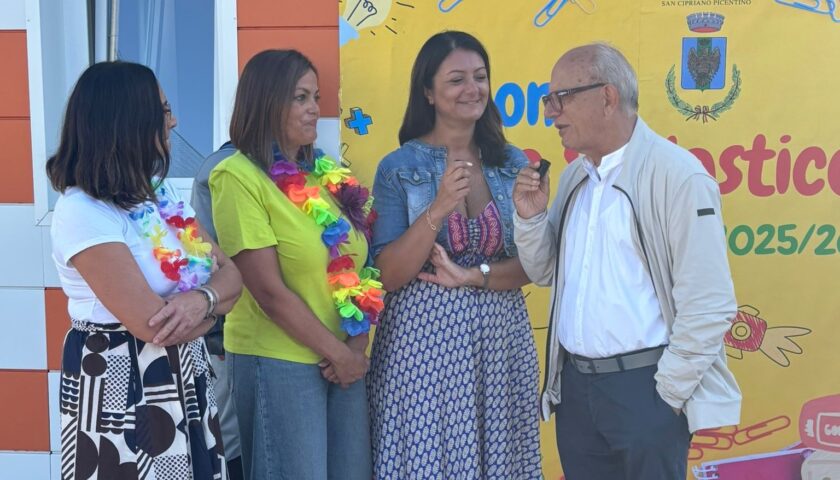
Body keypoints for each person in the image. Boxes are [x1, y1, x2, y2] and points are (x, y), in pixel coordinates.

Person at [512, 43, 741, 479]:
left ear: (607, 96)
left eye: (561, 98)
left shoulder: (678, 175)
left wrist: (667, 395)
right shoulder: (578, 176)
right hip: (577, 390)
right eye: (549, 100)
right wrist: (531, 217)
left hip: (646, 388)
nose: (551, 114)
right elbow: (544, 272)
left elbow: (710, 304)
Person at [47, 61, 242, 479]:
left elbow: (231, 277)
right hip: (122, 378)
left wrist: (200, 299)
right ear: (128, 122)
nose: (174, 121)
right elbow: (152, 325)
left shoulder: (159, 196)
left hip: (184, 374)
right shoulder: (82, 211)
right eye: (164, 110)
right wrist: (213, 304)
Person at [367, 31, 542, 479]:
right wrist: (439, 206)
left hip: (499, 342)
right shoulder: (399, 167)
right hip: (423, 348)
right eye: (457, 79)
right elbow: (386, 275)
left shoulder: (511, 162)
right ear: (428, 92)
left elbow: (532, 264)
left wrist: (472, 277)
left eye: (480, 77)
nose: (473, 89)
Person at [208, 49, 378, 480]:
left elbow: (361, 266)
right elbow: (267, 291)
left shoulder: (325, 176)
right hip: (280, 361)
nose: (314, 110)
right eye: (300, 98)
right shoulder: (237, 176)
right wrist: (338, 353)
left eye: (315, 97)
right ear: (267, 101)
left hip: (343, 362)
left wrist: (354, 350)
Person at [192, 140, 244, 480]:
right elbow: (207, 263)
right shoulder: (223, 166)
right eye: (298, 98)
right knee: (228, 439)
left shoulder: (311, 166)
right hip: (228, 338)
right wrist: (215, 335)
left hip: (289, 343)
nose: (313, 108)